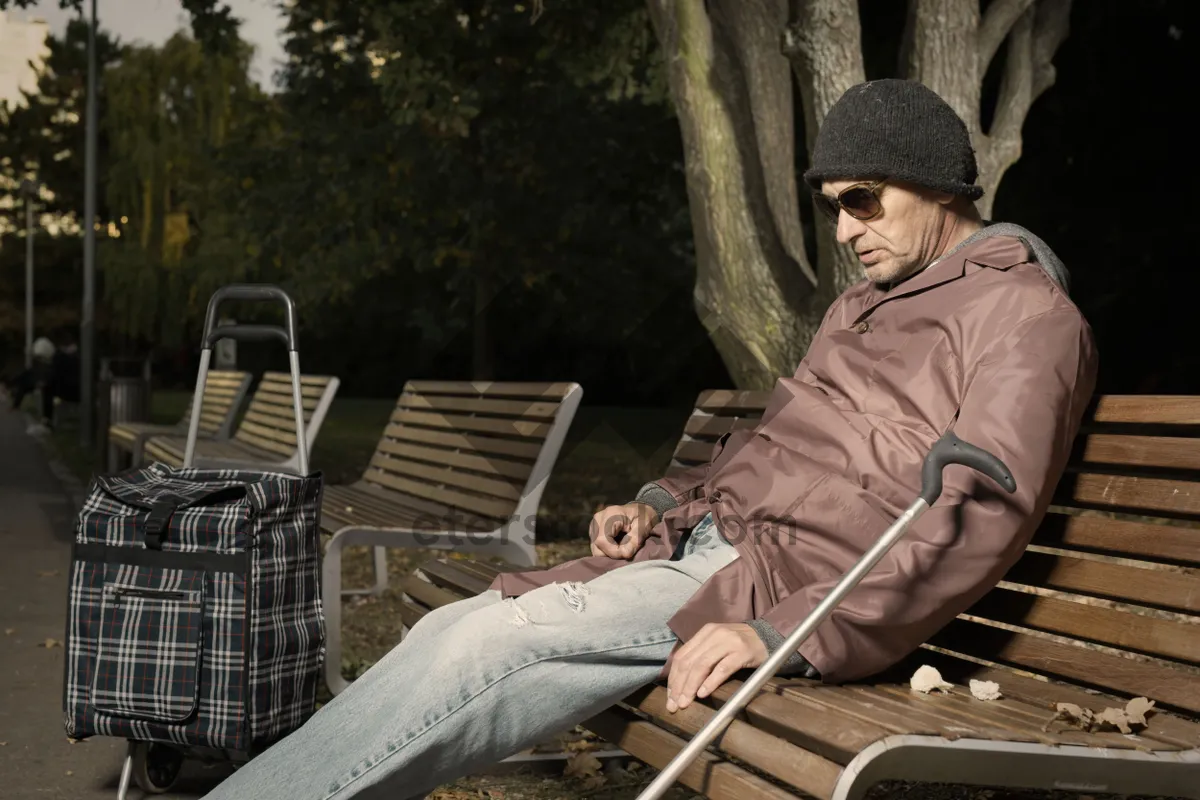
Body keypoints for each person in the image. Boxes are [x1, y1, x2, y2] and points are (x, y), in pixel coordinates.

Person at [200, 79, 1097, 800]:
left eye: (863, 200)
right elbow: (780, 446)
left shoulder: (1024, 318)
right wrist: (667, 500)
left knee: (481, 649)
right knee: (455, 626)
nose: (844, 230)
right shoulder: (863, 307)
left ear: (939, 183)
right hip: (713, 547)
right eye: (832, 207)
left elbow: (979, 512)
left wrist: (781, 635)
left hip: (784, 588)